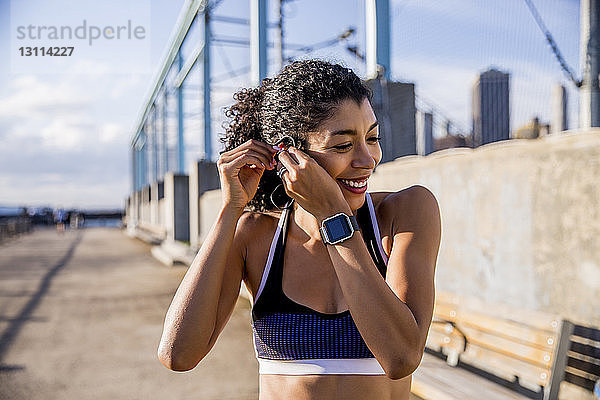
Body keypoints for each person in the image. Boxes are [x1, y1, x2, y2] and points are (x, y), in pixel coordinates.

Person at [158, 60, 441, 400]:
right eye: (343, 145)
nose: (368, 160)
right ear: (288, 155)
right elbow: (178, 354)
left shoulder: (404, 213)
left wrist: (333, 216)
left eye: (372, 138)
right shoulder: (255, 236)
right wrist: (230, 210)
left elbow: (401, 357)